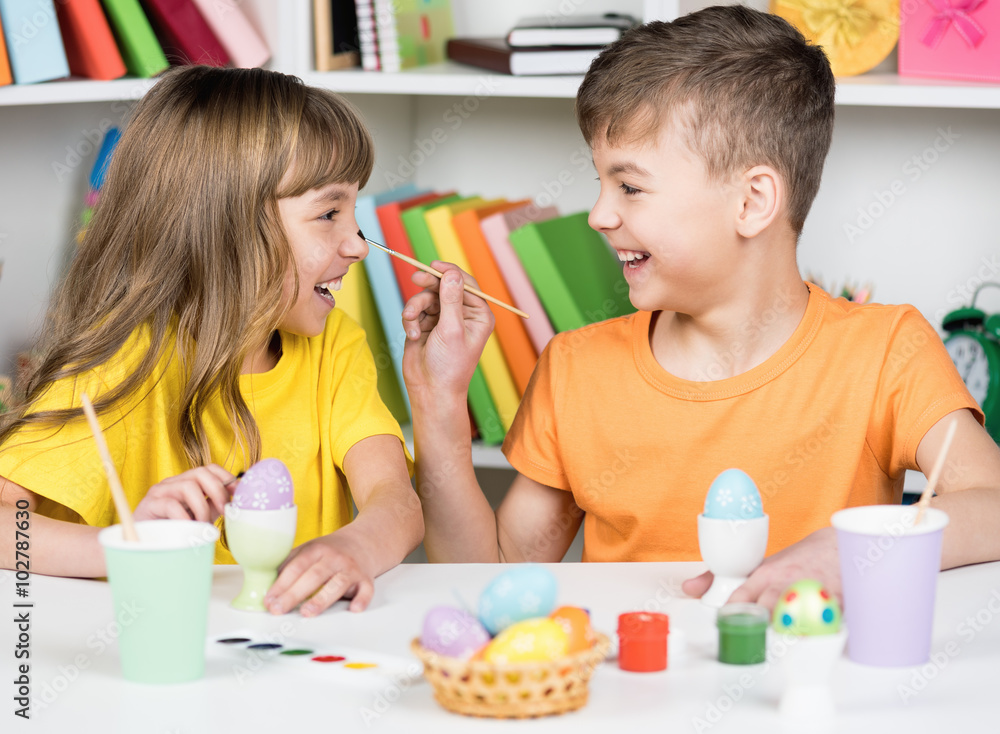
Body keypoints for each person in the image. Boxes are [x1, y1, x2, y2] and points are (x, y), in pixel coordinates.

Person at [401, 6, 1000, 608]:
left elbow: (993, 506)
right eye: (600, 183)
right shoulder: (574, 370)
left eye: (630, 186)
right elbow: (490, 580)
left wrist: (852, 553)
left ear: (752, 201)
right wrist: (437, 405)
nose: (598, 215)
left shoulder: (885, 352)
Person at [0, 66, 423, 616]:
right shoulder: (120, 365)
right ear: (227, 227)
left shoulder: (335, 346)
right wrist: (129, 544)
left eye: (354, 212)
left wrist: (356, 546)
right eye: (328, 214)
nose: (358, 245)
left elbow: (396, 500)